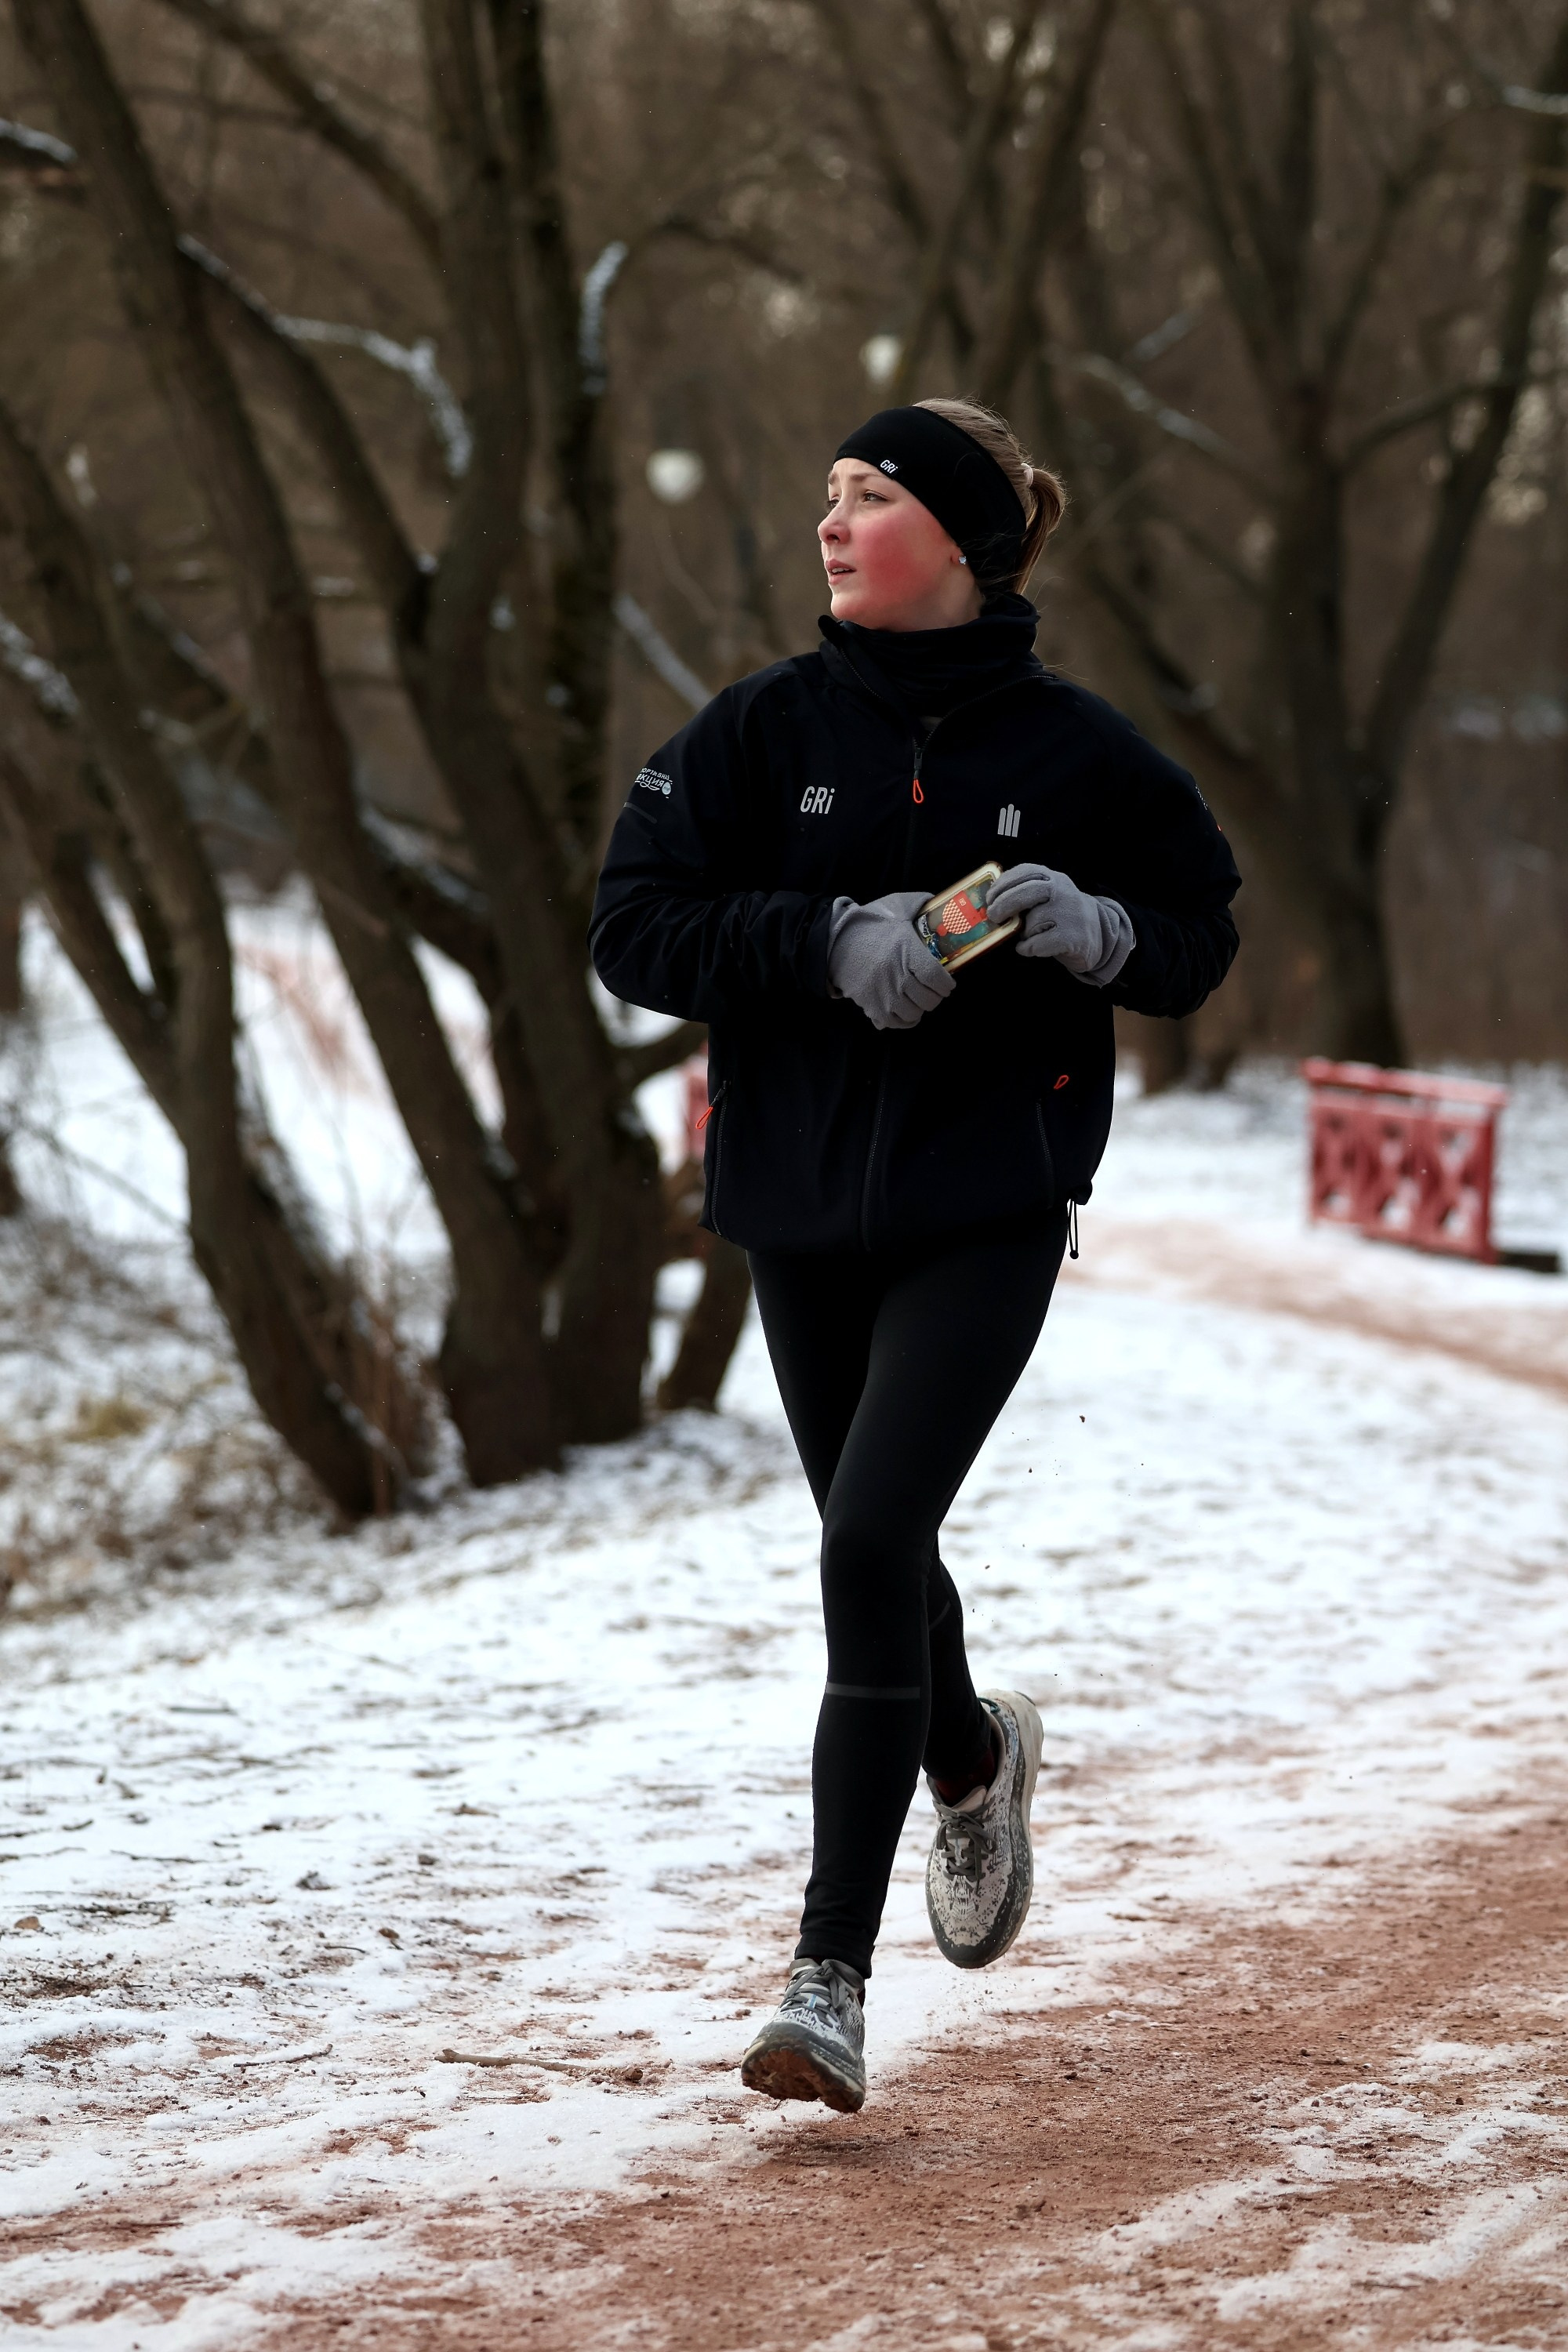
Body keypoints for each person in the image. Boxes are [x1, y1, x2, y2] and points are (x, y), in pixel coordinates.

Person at [590, 397, 1240, 2114]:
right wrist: (821, 941)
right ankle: (970, 1750)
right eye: (827, 494)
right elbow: (633, 921)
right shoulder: (754, 732)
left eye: (867, 497)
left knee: (872, 1531)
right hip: (794, 1208)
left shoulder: (1080, 753)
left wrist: (1098, 933)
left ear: (958, 542)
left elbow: (1196, 932)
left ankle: (826, 1979)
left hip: (986, 1206)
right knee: (870, 1542)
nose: (831, 521)